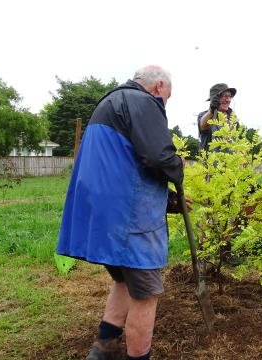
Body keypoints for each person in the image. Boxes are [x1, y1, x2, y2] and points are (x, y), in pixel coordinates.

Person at [57, 65, 184, 360]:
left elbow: (122, 165)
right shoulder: (142, 102)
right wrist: (177, 167)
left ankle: (103, 348)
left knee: (124, 281)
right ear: (158, 86)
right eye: (167, 97)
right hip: (130, 221)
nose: (164, 103)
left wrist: (166, 198)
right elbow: (158, 157)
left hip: (101, 214)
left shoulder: (108, 103)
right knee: (146, 293)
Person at [197, 83, 237, 152]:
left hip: (231, 161)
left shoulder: (233, 118)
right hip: (210, 161)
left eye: (229, 96)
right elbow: (203, 126)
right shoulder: (204, 115)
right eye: (224, 96)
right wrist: (211, 110)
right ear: (214, 99)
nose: (228, 100)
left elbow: (238, 140)